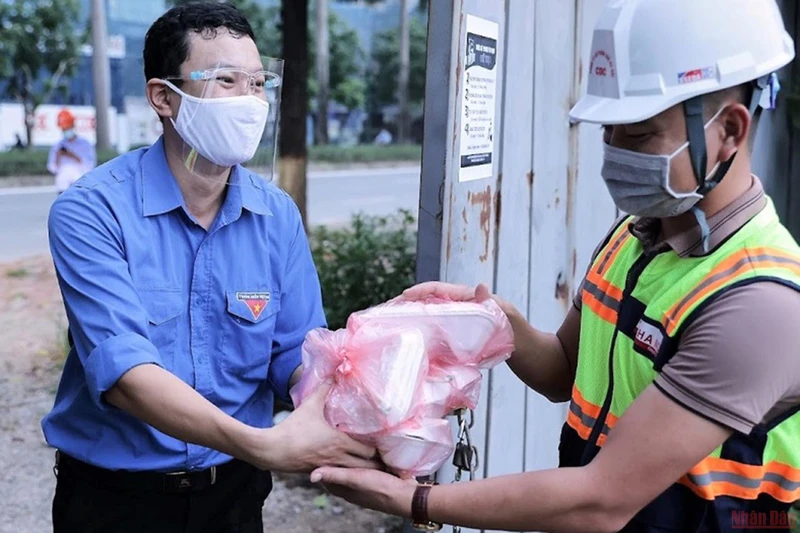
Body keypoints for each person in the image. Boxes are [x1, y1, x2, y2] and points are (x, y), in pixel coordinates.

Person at [308, 1, 800, 531]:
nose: (613, 152)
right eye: (606, 130)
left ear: (729, 128)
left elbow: (601, 500)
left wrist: (413, 502)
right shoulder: (634, 235)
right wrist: (496, 322)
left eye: (635, 133)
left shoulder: (758, 302)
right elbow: (564, 368)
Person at [43, 3, 378, 532]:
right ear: (163, 97)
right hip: (115, 499)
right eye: (226, 80)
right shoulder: (92, 210)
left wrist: (360, 405)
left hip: (235, 495)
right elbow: (126, 375)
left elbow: (295, 349)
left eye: (257, 82)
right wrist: (265, 444)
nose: (250, 101)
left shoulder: (276, 216)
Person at [47, 109, 96, 193]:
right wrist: (58, 156)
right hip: (62, 186)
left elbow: (90, 165)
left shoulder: (85, 144)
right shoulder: (57, 145)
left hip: (79, 185)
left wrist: (72, 155)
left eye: (67, 128)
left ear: (72, 126)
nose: (65, 131)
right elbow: (52, 168)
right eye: (63, 129)